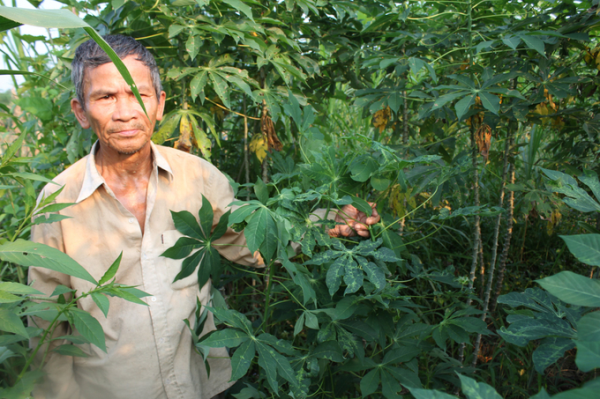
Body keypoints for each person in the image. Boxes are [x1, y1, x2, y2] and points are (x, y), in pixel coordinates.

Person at [28, 35, 379, 399]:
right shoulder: (58, 201)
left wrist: (324, 222)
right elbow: (46, 325)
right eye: (106, 97)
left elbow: (251, 243)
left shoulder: (197, 176)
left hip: (201, 383)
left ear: (160, 104)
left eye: (139, 94)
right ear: (81, 110)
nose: (126, 111)